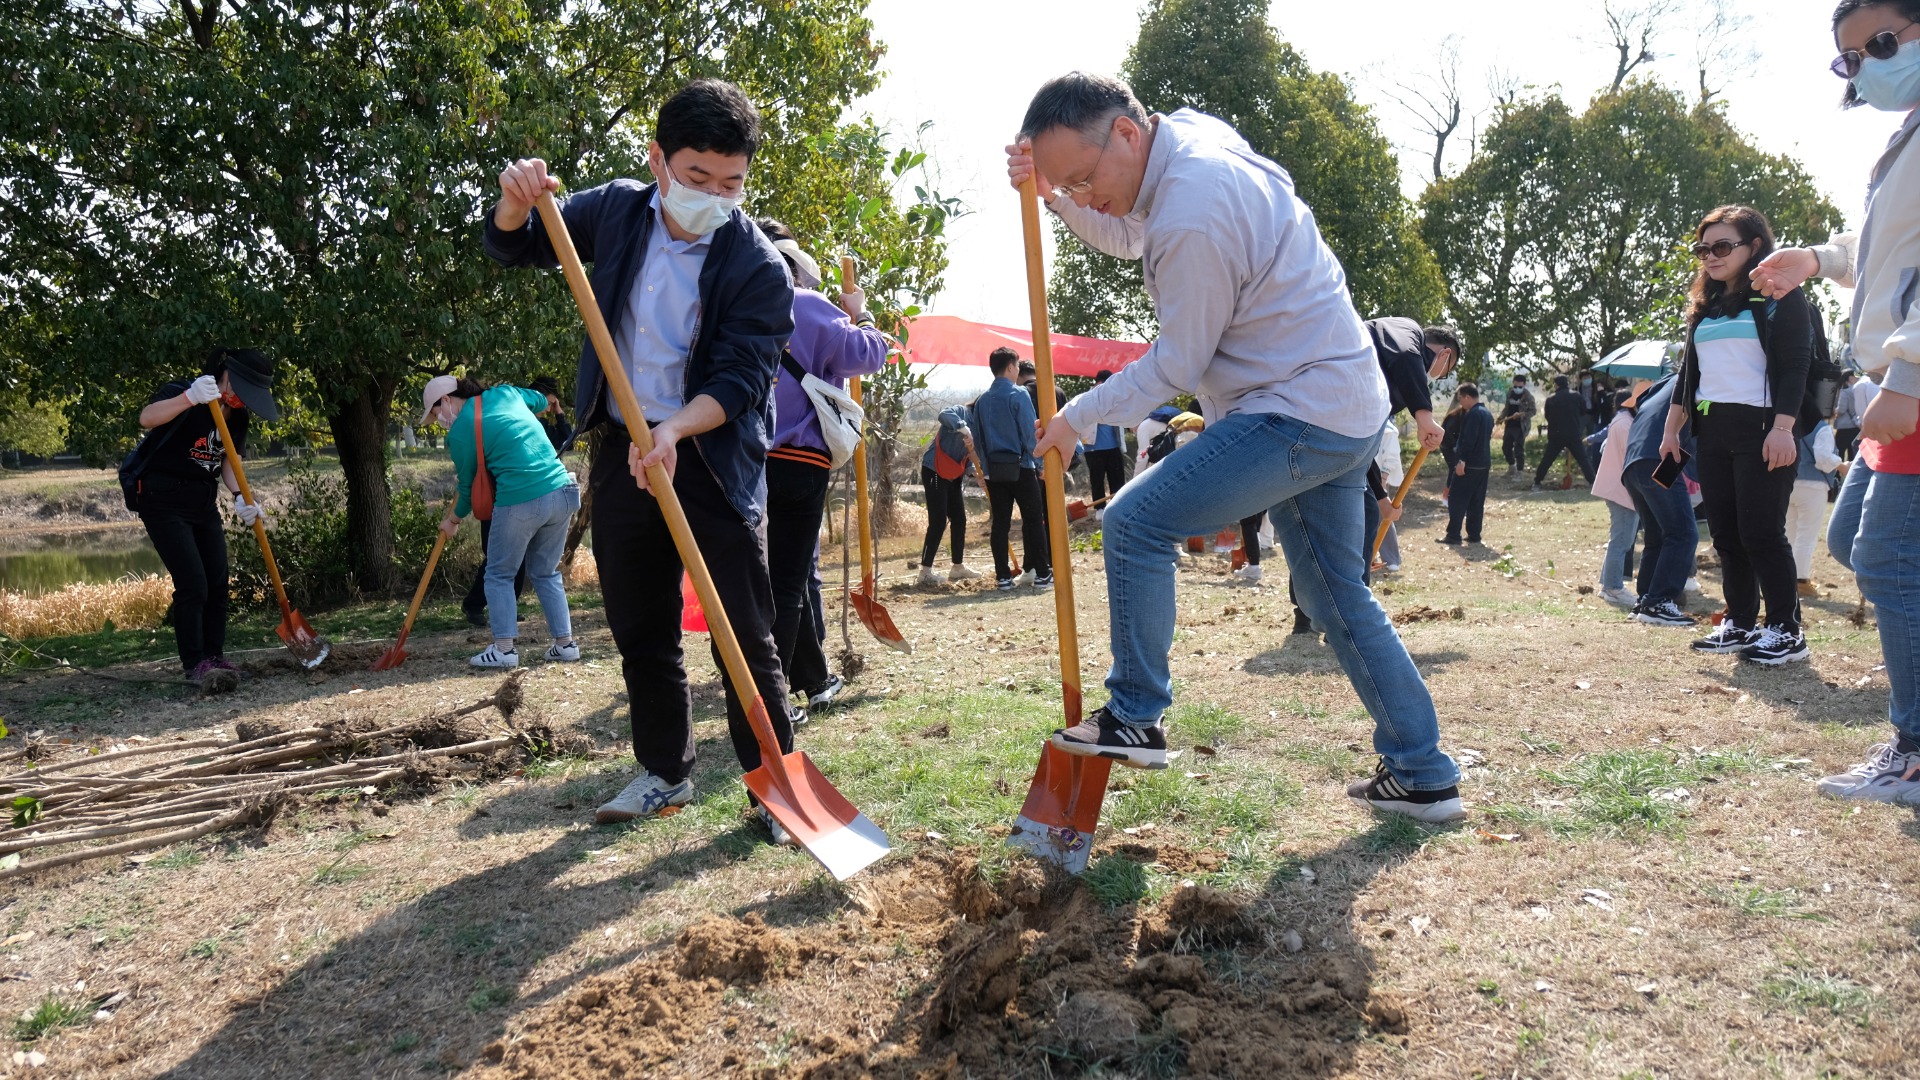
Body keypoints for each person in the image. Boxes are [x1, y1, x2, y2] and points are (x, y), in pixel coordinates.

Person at [1010, 71, 1462, 822]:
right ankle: (1423, 772)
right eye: (1072, 186)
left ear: (1126, 132)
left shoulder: (1193, 210)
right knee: (1331, 591)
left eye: (1086, 178)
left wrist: (1077, 416)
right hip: (1340, 404)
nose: (1086, 197)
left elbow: (1179, 364)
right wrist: (1052, 197)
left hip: (1296, 409)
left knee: (1133, 522)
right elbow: (1129, 233)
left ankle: (1136, 714)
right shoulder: (1184, 136)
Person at [484, 79, 800, 840]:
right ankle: (665, 772)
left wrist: (676, 432)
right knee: (639, 620)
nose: (715, 197)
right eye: (698, 178)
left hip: (713, 457)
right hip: (622, 445)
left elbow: (740, 378)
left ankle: (776, 783)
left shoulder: (759, 266)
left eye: (733, 184)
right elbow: (515, 244)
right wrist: (517, 200)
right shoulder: (617, 210)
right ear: (658, 160)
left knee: (742, 629)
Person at [1750, 0, 1920, 799]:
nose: (1867, 66)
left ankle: (1914, 749)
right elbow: (1890, 258)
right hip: (1897, 384)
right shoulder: (1906, 141)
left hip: (1910, 384)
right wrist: (1816, 259)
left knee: (1886, 555)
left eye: (1880, 43)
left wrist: (1909, 374)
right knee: (1857, 542)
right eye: (1852, 58)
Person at [1664, 206, 1816, 664]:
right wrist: (1672, 431)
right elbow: (1688, 376)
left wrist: (1784, 430)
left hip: (1765, 428)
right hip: (1714, 430)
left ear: (1754, 247)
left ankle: (1786, 630)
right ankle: (1741, 622)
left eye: (1722, 246)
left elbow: (1795, 369)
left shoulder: (1780, 298)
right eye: (1703, 248)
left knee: (1762, 533)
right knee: (1726, 534)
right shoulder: (1705, 307)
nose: (1711, 256)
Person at [759, 219, 889, 712]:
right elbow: (869, 353)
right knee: (788, 584)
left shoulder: (727, 307)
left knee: (759, 582)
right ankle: (775, 700)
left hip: (742, 462)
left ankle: (807, 681)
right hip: (799, 461)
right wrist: (862, 315)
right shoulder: (808, 306)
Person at [124, 348, 277, 684]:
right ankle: (195, 664)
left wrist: (241, 497)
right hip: (161, 498)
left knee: (218, 582)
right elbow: (147, 418)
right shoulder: (184, 391)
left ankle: (214, 656)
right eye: (239, 389)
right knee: (193, 584)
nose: (240, 399)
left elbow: (229, 461)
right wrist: (189, 397)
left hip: (202, 502)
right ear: (225, 375)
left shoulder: (237, 417)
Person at [422, 376, 581, 670]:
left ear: (445, 400)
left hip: (522, 498)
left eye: (434, 413)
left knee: (498, 573)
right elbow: (541, 400)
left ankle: (504, 650)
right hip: (562, 491)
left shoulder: (459, 433)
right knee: (545, 572)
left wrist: (452, 521)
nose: (437, 421)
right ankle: (565, 644)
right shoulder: (506, 393)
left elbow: (468, 488)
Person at [972, 346, 1052, 590]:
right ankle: (1041, 574)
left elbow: (978, 438)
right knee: (1032, 520)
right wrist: (1039, 463)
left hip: (995, 470)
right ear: (1010, 367)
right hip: (1022, 467)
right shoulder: (1018, 395)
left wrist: (985, 469)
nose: (1018, 370)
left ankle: (1003, 578)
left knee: (1000, 524)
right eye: (1017, 366)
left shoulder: (982, 400)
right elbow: (1029, 434)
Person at [1623, 375, 1699, 626]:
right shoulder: (1705, 376)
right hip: (1660, 457)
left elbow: (1641, 401)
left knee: (1657, 535)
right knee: (1684, 533)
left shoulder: (1667, 381)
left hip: (1634, 461)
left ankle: (1646, 600)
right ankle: (1659, 602)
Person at [919, 404, 983, 584]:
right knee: (938, 521)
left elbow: (968, 455)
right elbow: (943, 413)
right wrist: (963, 427)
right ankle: (925, 571)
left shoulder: (980, 426)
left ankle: (957, 567)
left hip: (954, 474)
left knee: (960, 519)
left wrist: (973, 472)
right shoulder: (961, 412)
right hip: (934, 470)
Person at [1591, 385, 1643, 606]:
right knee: (1621, 540)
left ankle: (1608, 584)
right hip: (1621, 490)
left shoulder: (1622, 421)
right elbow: (1632, 458)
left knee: (1621, 538)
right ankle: (1613, 588)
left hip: (1620, 488)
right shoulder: (1624, 425)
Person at [1788, 418, 1843, 594]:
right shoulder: (1821, 427)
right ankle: (1801, 580)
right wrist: (1842, 466)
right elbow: (1823, 459)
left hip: (1788, 482)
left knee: (1788, 534)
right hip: (1814, 486)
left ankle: (1785, 579)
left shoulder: (1787, 422)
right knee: (1807, 535)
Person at [1439, 383, 1493, 545]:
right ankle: (1474, 534)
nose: (1460, 402)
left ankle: (1453, 535)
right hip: (1483, 462)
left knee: (1457, 498)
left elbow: (1468, 440)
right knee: (1477, 499)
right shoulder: (1487, 414)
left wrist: (1462, 460)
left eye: (1460, 398)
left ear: (1468, 396)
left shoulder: (1473, 414)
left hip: (1469, 464)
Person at [1533, 375, 1596, 488]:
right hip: (1574, 433)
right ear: (1567, 383)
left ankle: (1537, 481)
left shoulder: (1551, 399)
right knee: (1583, 459)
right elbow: (1583, 411)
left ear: (1556, 385)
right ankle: (1593, 482)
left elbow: (1548, 416)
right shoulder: (1577, 396)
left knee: (1547, 459)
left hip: (1556, 434)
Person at [1083, 370, 1130, 513]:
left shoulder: (1115, 397)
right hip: (1093, 446)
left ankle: (1117, 507)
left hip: (1113, 445)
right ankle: (1100, 508)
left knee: (1117, 479)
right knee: (1097, 479)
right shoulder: (1086, 397)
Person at [1496, 374, 1536, 473]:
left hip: (1521, 427)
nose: (1517, 388)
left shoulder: (1528, 396)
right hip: (1509, 425)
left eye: (1520, 387)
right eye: (1515, 386)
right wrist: (1501, 417)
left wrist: (1521, 415)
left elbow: (1533, 411)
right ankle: (1511, 466)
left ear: (1524, 385)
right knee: (1506, 447)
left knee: (1518, 449)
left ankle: (1520, 471)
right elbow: (1506, 408)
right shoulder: (1510, 393)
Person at [1833, 371, 1863, 458]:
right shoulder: (1859, 390)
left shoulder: (1845, 392)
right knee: (1853, 452)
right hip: (1857, 425)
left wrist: (1834, 412)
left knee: (1839, 451)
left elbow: (1842, 409)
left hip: (1844, 426)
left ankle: (1839, 471)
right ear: (1850, 378)